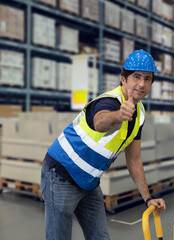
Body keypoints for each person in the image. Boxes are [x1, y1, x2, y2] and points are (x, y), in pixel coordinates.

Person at [40, 49, 166, 240]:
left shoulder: (139, 112)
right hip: (61, 174)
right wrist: (118, 115)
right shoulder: (109, 101)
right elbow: (100, 122)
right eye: (136, 77)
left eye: (148, 79)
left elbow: (134, 160)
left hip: (89, 182)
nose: (142, 83)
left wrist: (148, 199)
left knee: (100, 237)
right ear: (123, 79)